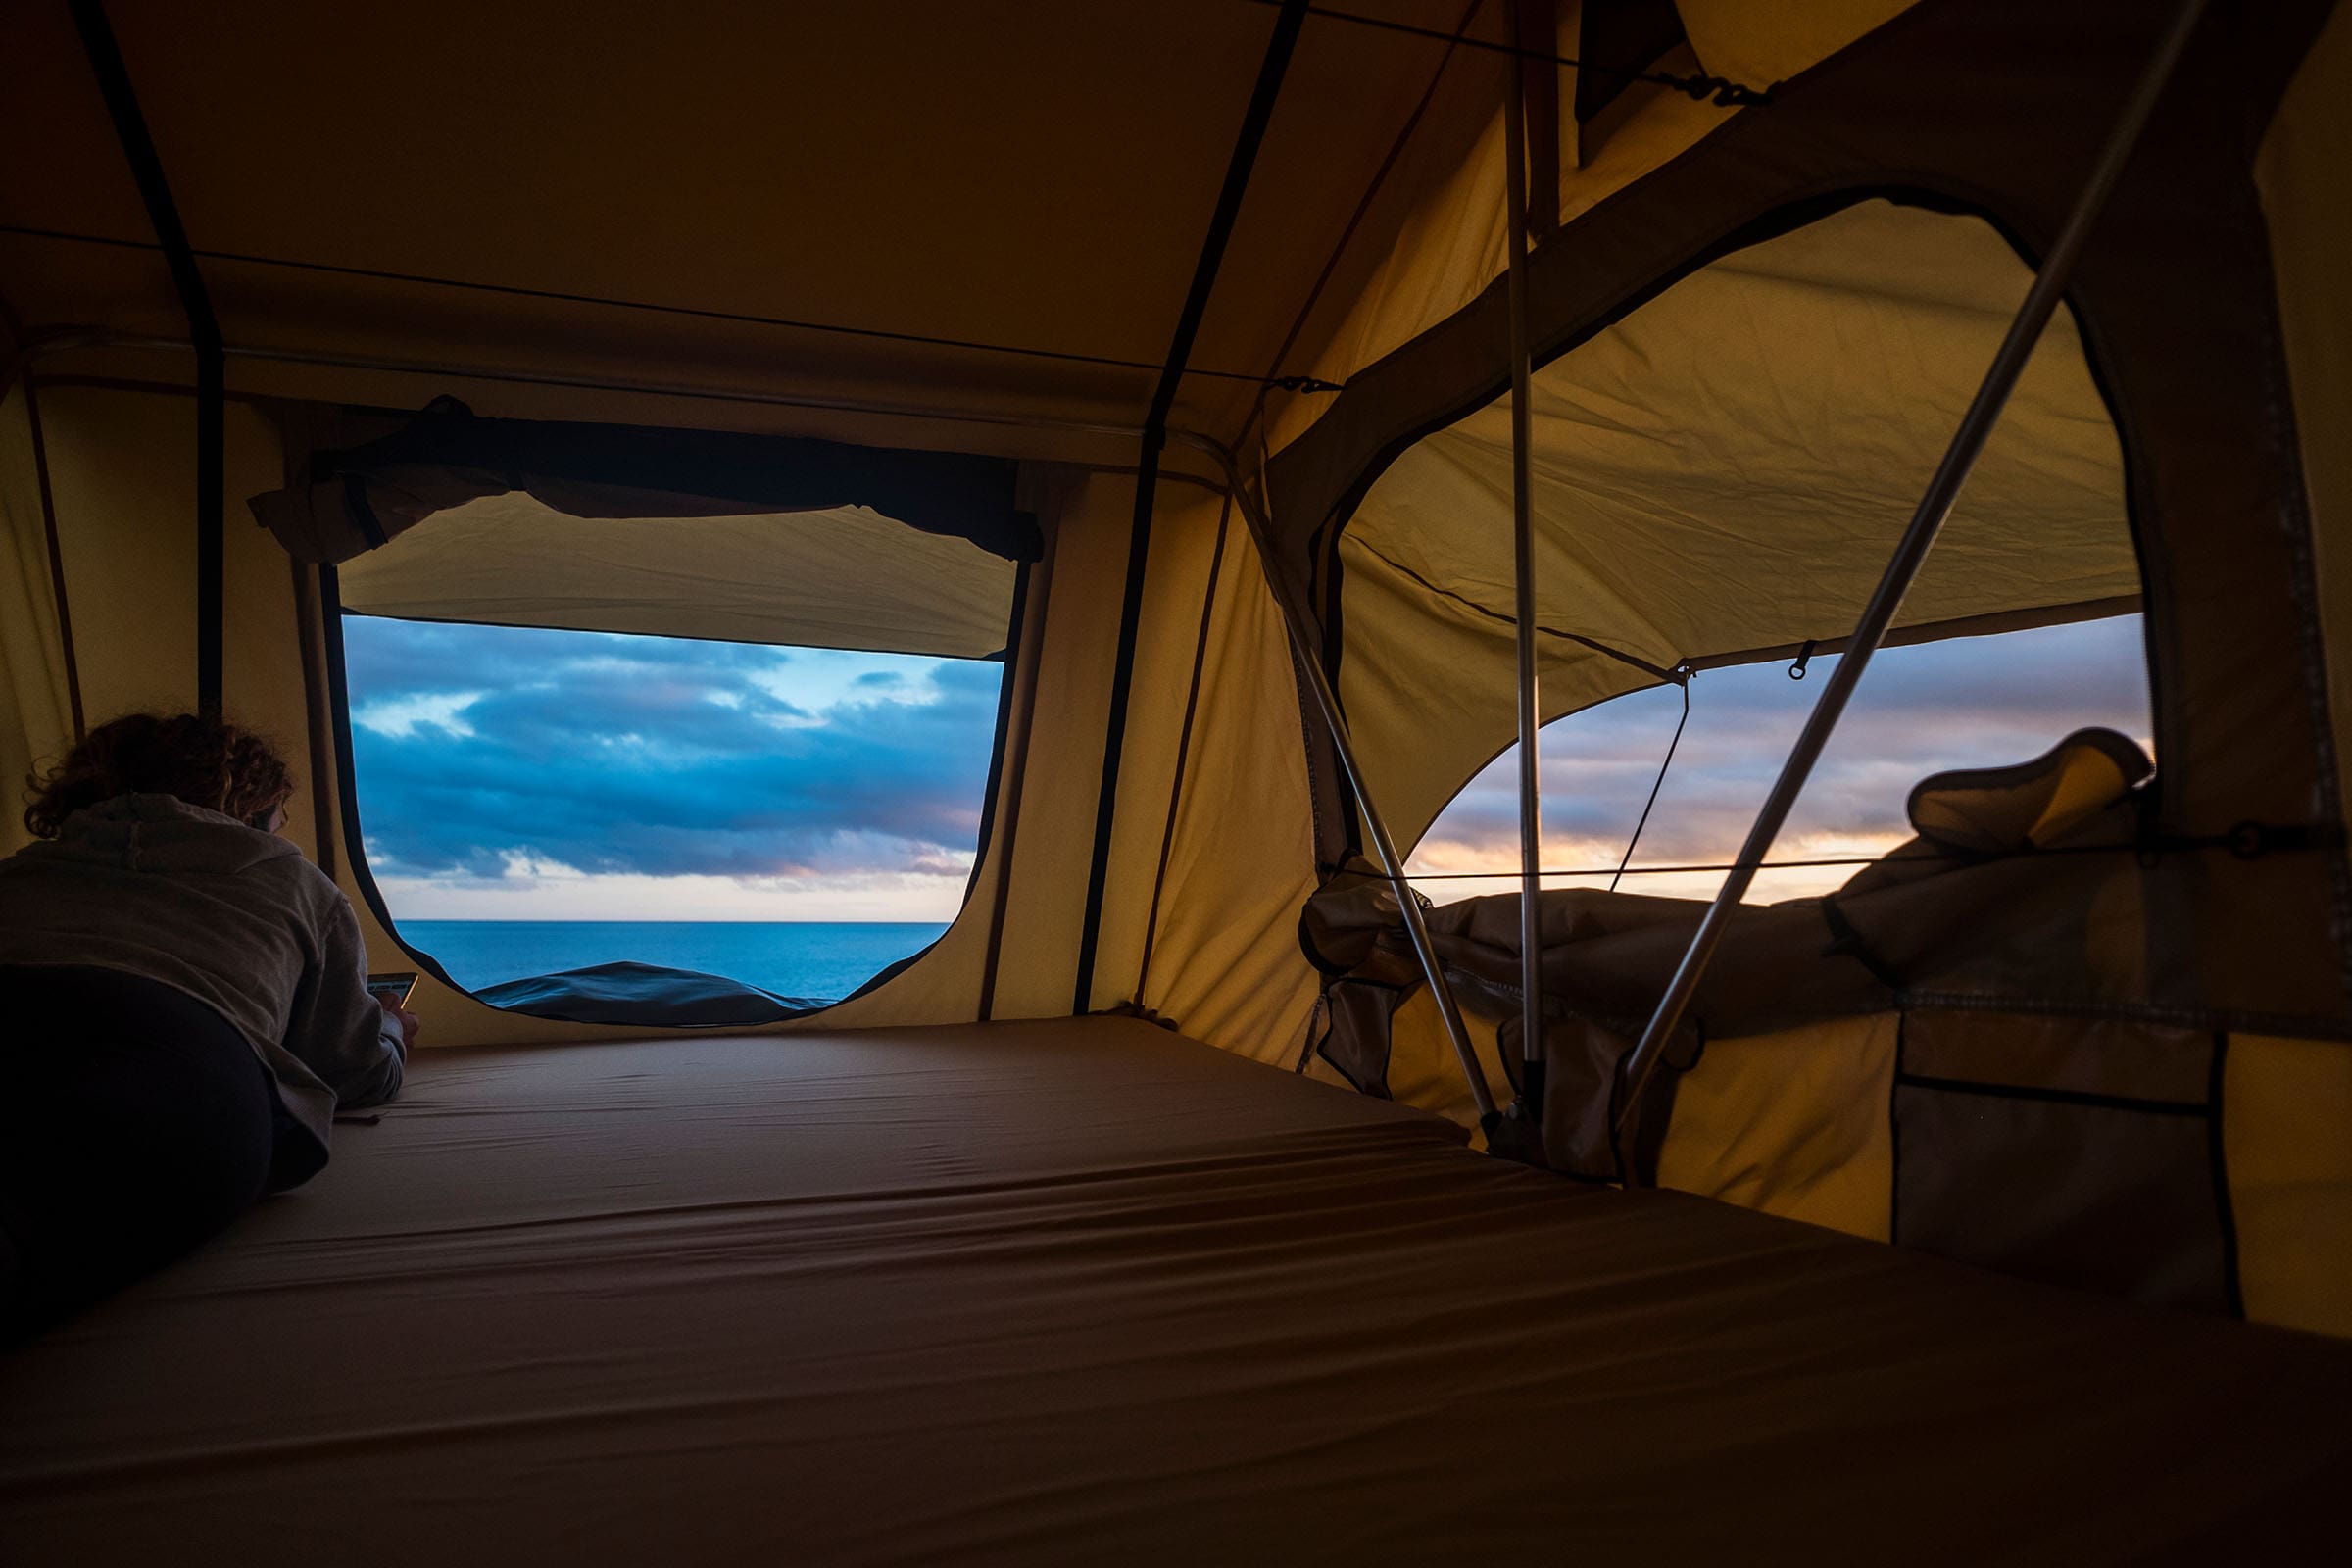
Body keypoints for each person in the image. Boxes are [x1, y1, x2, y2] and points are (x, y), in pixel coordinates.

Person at [0, 712, 415, 1340]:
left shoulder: (19, 872)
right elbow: (354, 1070)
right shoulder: (294, 881)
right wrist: (391, 1034)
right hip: (173, 1058)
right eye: (276, 816)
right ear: (248, 809)